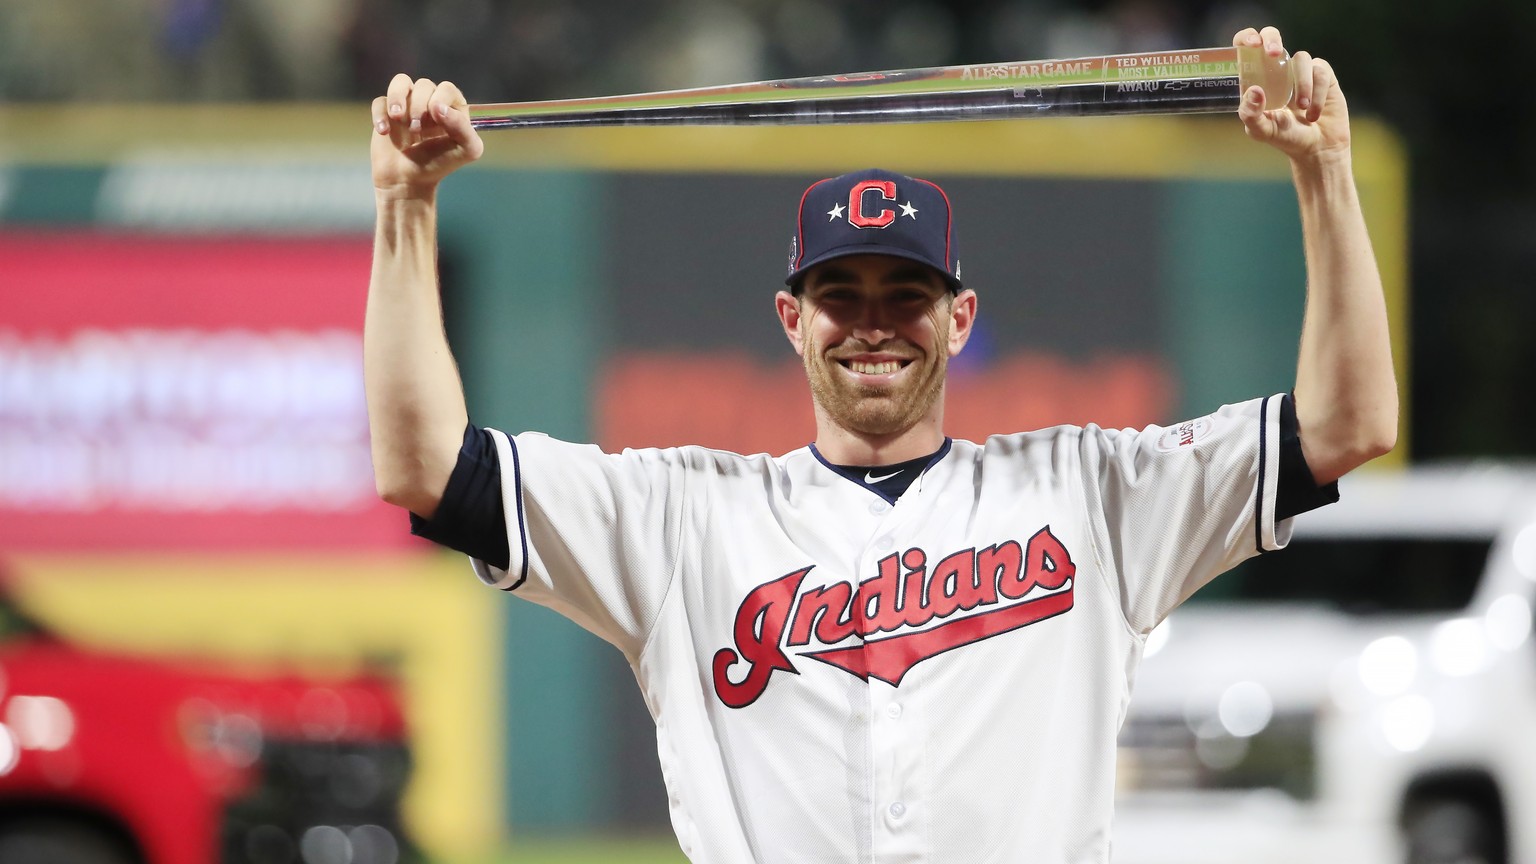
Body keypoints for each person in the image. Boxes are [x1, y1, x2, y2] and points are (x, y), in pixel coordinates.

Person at [365, 25, 1396, 864]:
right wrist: (406, 207)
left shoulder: (1092, 493)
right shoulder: (683, 517)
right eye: (838, 295)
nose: (872, 323)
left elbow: (1348, 424)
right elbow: (427, 468)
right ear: (789, 318)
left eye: (906, 294)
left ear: (959, 320)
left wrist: (1327, 176)